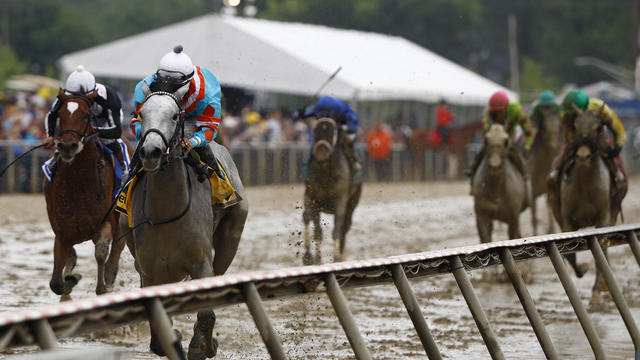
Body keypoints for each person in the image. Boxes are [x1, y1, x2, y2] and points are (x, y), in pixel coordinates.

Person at [130, 45, 221, 170]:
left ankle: (222, 182)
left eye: (175, 86)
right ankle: (128, 180)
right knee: (145, 146)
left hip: (193, 120)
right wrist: (148, 133)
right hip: (161, 120)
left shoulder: (207, 93)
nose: (169, 89)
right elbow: (135, 122)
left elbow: (210, 128)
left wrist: (193, 142)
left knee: (204, 150)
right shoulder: (143, 89)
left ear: (188, 81)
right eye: (165, 83)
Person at [43, 65, 129, 181]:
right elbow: (51, 114)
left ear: (92, 93)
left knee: (107, 140)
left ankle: (122, 166)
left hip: (105, 121)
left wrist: (93, 131)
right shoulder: (65, 97)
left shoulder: (108, 97)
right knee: (68, 137)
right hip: (81, 119)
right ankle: (57, 155)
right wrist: (50, 136)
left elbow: (116, 131)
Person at [548, 89, 626, 189]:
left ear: (583, 108)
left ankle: (616, 172)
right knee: (566, 151)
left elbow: (618, 129)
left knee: (607, 148)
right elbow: (567, 135)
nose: (570, 114)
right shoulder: (566, 115)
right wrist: (573, 144)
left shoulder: (601, 108)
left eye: (573, 113)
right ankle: (557, 172)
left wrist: (618, 146)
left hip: (598, 136)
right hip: (576, 136)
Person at [466, 91, 535, 179]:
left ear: (506, 107)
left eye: (500, 111)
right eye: (496, 112)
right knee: (484, 149)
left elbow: (529, 132)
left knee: (513, 151)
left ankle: (523, 173)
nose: (498, 114)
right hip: (493, 132)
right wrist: (489, 137)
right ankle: (473, 168)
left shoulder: (518, 112)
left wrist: (527, 147)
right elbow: (485, 127)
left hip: (509, 133)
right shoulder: (488, 111)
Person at [305, 95, 361, 173]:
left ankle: (354, 162)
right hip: (327, 128)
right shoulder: (316, 108)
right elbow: (307, 115)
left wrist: (345, 127)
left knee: (348, 139)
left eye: (327, 114)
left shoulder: (344, 109)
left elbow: (354, 126)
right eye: (322, 114)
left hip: (343, 128)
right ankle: (308, 163)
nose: (324, 116)